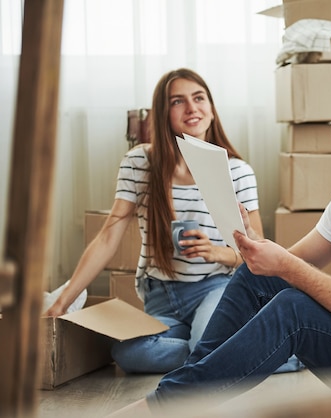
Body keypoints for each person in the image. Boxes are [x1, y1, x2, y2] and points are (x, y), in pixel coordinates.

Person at [113, 67, 331, 415]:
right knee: (258, 278)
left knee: (293, 311)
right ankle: (188, 398)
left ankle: (164, 406)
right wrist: (256, 247)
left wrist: (284, 265)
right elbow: (291, 264)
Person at [45, 68, 277, 374]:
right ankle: (218, 353)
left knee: (204, 342)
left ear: (211, 107)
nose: (192, 108)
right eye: (177, 101)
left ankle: (224, 350)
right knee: (129, 353)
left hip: (216, 286)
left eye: (199, 98)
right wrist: (62, 302)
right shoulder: (139, 163)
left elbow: (258, 252)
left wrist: (218, 253)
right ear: (163, 113)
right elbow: (107, 238)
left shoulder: (238, 171)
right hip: (160, 295)